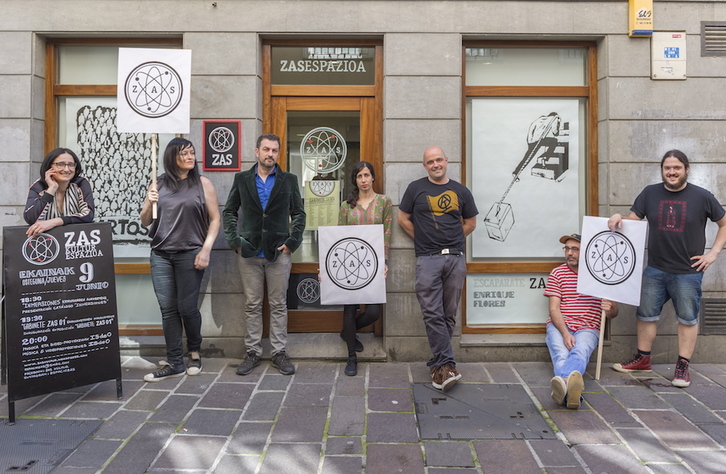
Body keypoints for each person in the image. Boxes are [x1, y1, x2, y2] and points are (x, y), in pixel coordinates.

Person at [609, 149, 726, 388]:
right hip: (655, 268)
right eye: (667, 168)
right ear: (662, 169)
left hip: (688, 271)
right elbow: (634, 219)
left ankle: (682, 366)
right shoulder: (650, 193)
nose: (671, 172)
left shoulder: (702, 196)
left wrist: (713, 253)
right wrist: (618, 215)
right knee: (645, 315)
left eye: (677, 168)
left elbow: (724, 224)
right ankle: (643, 359)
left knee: (687, 319)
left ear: (686, 169)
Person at [223, 134, 306, 376]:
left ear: (278, 154)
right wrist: (235, 241)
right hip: (248, 252)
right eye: (266, 149)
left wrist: (292, 242)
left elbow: (299, 214)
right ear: (256, 151)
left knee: (279, 304)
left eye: (275, 150)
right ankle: (253, 352)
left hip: (278, 253)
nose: (270, 154)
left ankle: (279, 352)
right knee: (252, 304)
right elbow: (229, 211)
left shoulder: (288, 180)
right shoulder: (242, 179)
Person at [398, 146, 478, 392]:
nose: (435, 164)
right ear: (425, 165)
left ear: (446, 161)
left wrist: (451, 239)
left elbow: (470, 223)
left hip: (455, 258)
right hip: (427, 259)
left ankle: (439, 367)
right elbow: (403, 218)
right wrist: (423, 240)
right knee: (432, 312)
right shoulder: (415, 188)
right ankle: (446, 365)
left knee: (448, 314)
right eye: (430, 161)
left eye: (439, 160)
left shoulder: (461, 191)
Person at [140, 138, 220, 382]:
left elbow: (215, 219)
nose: (190, 157)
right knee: (168, 309)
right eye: (184, 153)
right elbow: (145, 221)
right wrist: (149, 202)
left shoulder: (202, 183)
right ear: (172, 157)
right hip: (161, 253)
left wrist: (205, 250)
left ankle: (194, 350)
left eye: (192, 153)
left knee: (187, 308)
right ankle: (174, 362)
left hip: (190, 252)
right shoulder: (158, 183)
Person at [545, 233, 619, 409]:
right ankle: (571, 390)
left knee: (580, 351)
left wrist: (611, 308)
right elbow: (554, 309)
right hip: (560, 325)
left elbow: (613, 314)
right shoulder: (558, 273)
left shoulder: (602, 274)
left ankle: (563, 386)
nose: (570, 253)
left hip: (588, 327)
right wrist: (564, 333)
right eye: (567, 249)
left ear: (586, 251)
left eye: (575, 249)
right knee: (561, 354)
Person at [337, 161, 392, 376]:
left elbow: (387, 234)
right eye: (359, 176)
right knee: (349, 310)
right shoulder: (346, 206)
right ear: (355, 180)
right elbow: (338, 238)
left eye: (367, 175)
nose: (364, 180)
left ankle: (347, 332)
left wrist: (384, 262)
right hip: (349, 264)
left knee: (373, 312)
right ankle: (351, 356)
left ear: (373, 177)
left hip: (373, 265)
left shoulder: (384, 202)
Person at [24, 148, 94, 237]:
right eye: (60, 164)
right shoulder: (38, 187)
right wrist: (51, 189)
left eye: (71, 165)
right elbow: (30, 218)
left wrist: (55, 222)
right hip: (47, 241)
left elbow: (88, 215)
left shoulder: (80, 184)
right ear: (49, 167)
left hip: (75, 242)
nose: (66, 169)